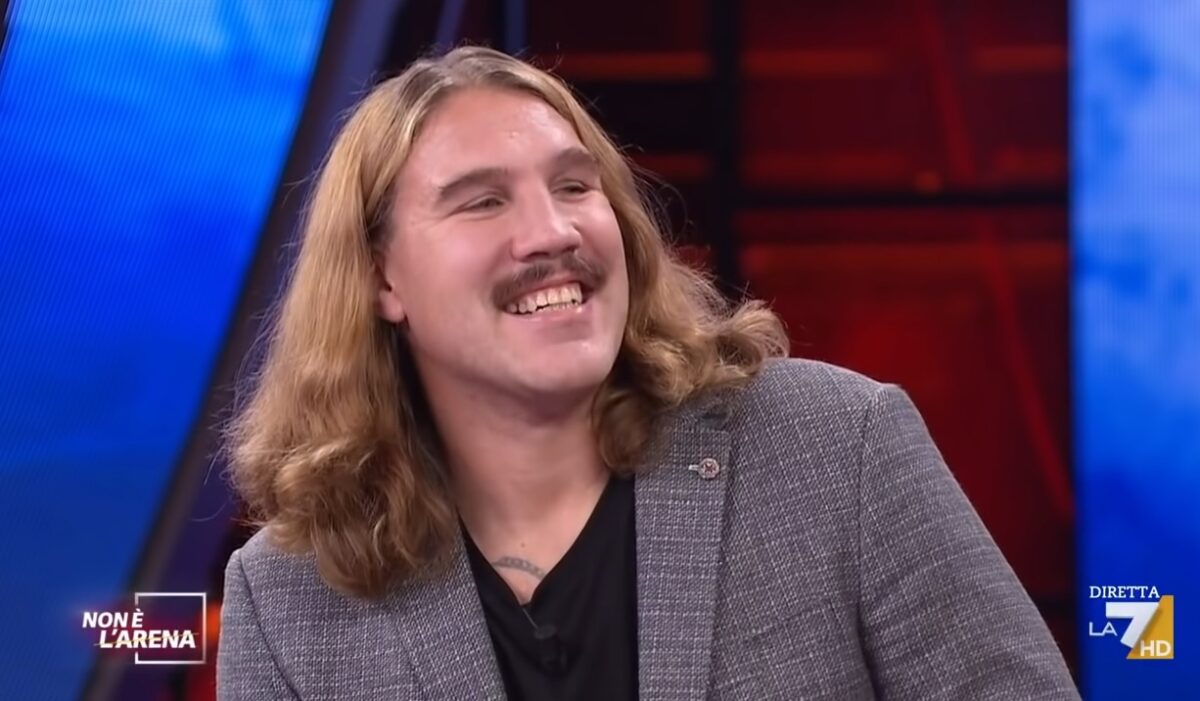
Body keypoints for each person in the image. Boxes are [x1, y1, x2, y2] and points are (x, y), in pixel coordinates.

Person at [216, 46, 1078, 700]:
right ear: (381, 279)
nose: (553, 232)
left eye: (574, 186)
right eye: (483, 201)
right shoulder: (288, 599)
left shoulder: (833, 446)